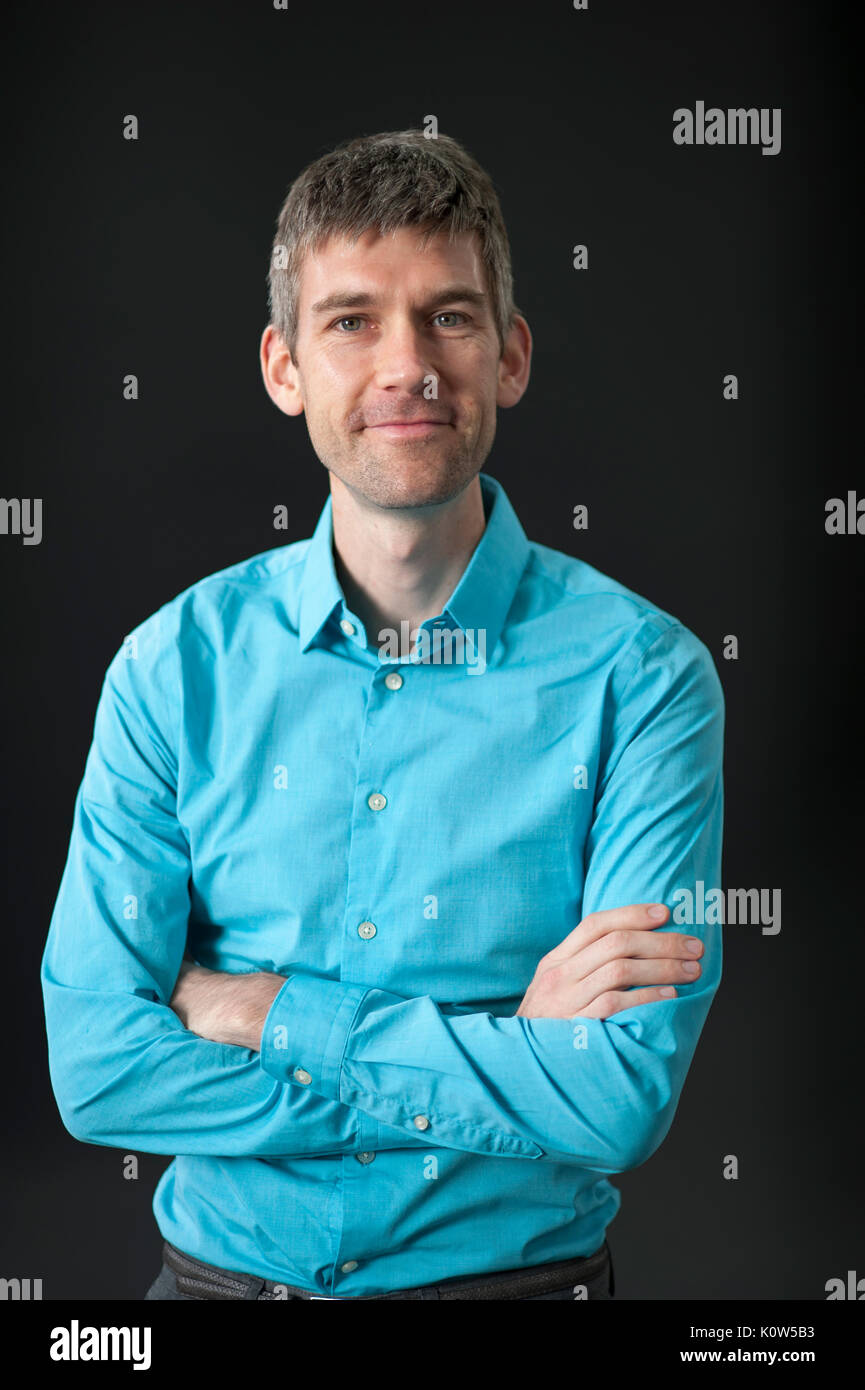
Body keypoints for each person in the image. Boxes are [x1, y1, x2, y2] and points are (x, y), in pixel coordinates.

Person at [41, 129, 724, 1302]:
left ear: (510, 356)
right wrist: (503, 1055)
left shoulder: (645, 678)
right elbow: (101, 1070)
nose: (407, 365)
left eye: (448, 317)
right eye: (352, 320)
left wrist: (264, 1011)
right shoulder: (169, 671)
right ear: (284, 367)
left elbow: (615, 1100)